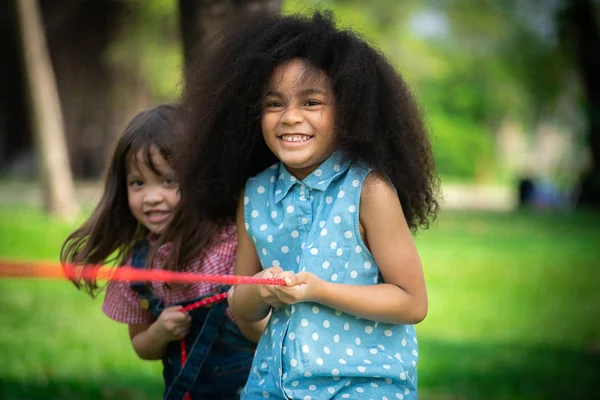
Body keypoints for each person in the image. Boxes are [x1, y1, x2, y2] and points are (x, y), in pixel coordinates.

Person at [167, 11, 439, 400]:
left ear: (349, 109)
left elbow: (412, 302)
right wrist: (258, 292)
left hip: (364, 387)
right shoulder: (255, 195)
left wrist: (318, 290)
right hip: (274, 385)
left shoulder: (369, 190)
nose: (291, 117)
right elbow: (243, 307)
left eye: (312, 102)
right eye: (274, 104)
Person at [60, 104, 263, 400]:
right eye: (138, 183)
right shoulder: (137, 269)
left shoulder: (231, 239)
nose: (152, 198)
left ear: (198, 178)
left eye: (169, 181)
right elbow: (141, 345)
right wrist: (159, 333)